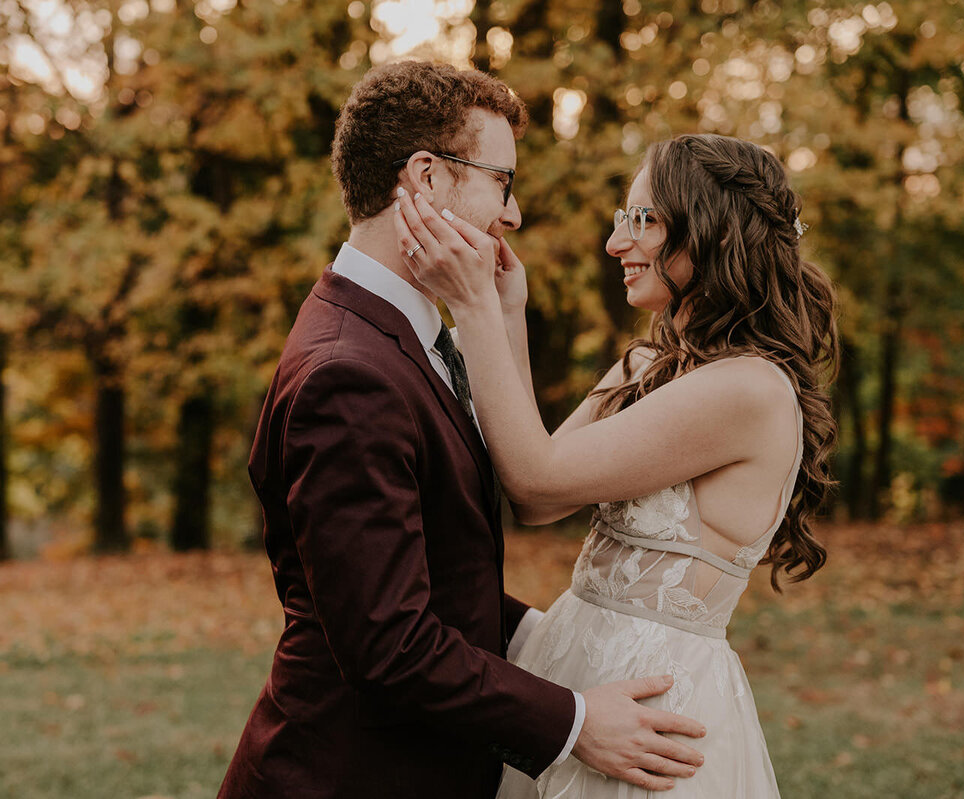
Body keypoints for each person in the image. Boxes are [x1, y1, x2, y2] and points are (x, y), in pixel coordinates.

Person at [216, 62, 709, 799]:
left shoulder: (396, 336)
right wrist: (574, 720)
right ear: (427, 178)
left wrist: (570, 638)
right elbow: (389, 643)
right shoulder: (348, 374)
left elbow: (436, 574)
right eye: (501, 184)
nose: (512, 216)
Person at [394, 132, 838, 797]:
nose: (616, 244)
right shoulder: (647, 367)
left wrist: (473, 305)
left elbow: (534, 475)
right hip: (574, 674)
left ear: (712, 230)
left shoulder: (748, 390)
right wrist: (507, 310)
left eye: (644, 220)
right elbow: (539, 496)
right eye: (620, 218)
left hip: (655, 707)